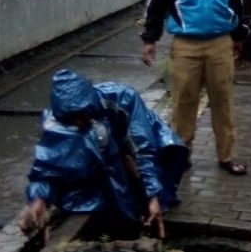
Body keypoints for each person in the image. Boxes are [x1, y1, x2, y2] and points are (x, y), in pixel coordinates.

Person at [140, 0, 249, 176]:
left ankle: (226, 156)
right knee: (183, 104)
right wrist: (150, 39)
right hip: (185, 45)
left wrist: (238, 36)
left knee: (223, 102)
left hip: (220, 43)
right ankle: (181, 154)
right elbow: (156, 5)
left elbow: (236, 2)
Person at [19, 69, 188, 237]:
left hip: (128, 146)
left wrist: (152, 194)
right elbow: (46, 169)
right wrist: (39, 198)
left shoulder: (122, 97)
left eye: (82, 114)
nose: (79, 121)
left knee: (157, 183)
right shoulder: (57, 124)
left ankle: (152, 210)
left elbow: (142, 146)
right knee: (113, 195)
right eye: (74, 118)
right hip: (104, 157)